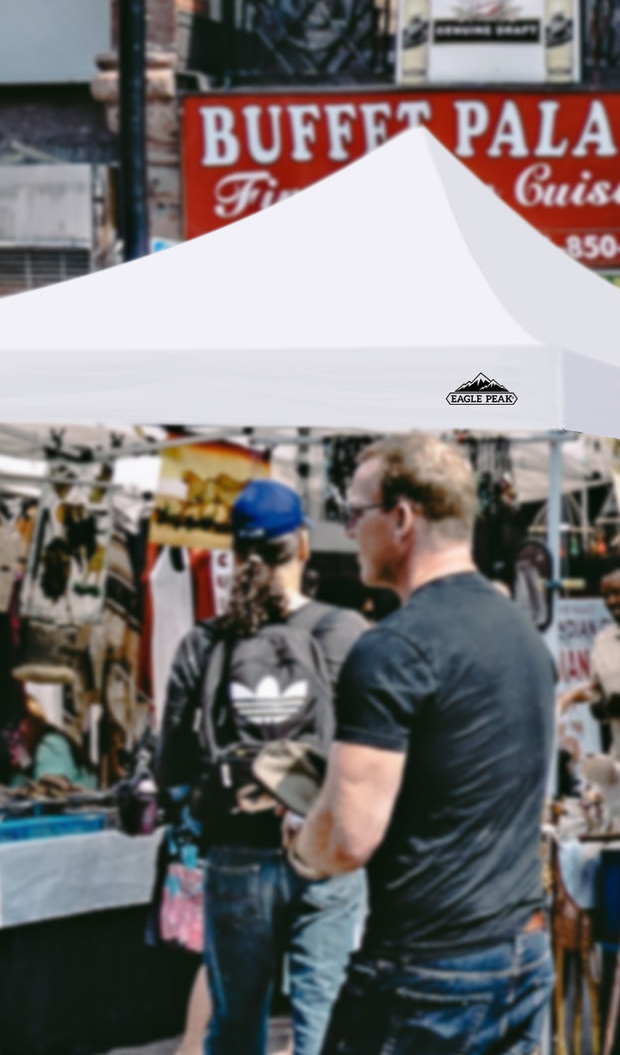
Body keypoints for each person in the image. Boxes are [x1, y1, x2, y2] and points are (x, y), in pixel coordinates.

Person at [290, 435, 555, 1055]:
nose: (351, 529)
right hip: (521, 952)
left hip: (429, 971)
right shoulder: (523, 635)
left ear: (402, 517)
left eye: (355, 512)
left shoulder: (392, 650)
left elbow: (347, 839)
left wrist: (303, 844)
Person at [157, 479, 369, 1055]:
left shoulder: (206, 642)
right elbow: (370, 747)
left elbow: (171, 760)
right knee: (321, 1015)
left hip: (236, 851)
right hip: (324, 846)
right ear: (302, 544)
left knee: (234, 1020)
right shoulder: (343, 631)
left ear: (234, 552)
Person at [559, 567, 620, 752]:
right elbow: (597, 698)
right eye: (605, 596)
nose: (610, 601)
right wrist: (603, 707)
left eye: (616, 593)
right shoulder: (602, 642)